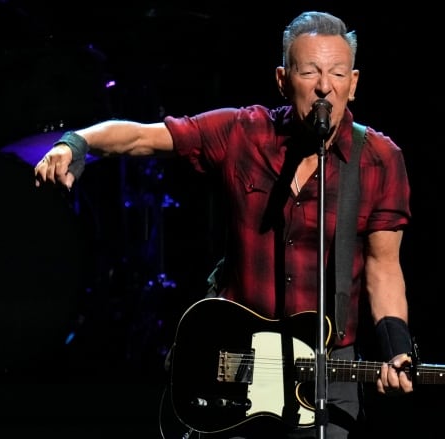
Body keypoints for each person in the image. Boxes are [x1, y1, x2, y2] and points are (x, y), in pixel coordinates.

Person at [34, 10, 414, 439]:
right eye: (309, 72)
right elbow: (146, 137)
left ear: (354, 83)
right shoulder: (245, 133)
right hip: (233, 362)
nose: (324, 86)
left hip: (325, 369)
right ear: (283, 80)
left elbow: (383, 269)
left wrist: (397, 349)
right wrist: (77, 143)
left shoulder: (379, 158)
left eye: (337, 73)